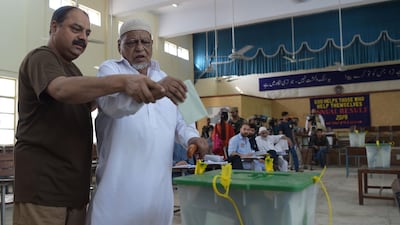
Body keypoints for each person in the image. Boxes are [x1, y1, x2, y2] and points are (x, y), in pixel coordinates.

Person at [13, 6, 169, 225]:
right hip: (44, 188)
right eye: (76, 29)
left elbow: (102, 103)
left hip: (74, 189)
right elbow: (61, 89)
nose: (83, 38)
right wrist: (123, 80)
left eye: (87, 33)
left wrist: (154, 89)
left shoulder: (73, 71)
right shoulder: (42, 58)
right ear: (54, 27)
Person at [85, 18, 208, 225]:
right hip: (116, 193)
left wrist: (192, 137)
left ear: (152, 45)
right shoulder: (110, 70)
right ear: (119, 46)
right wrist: (157, 89)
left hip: (158, 193)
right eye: (132, 42)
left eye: (145, 42)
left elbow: (181, 121)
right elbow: (112, 106)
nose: (140, 48)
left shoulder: (165, 77)